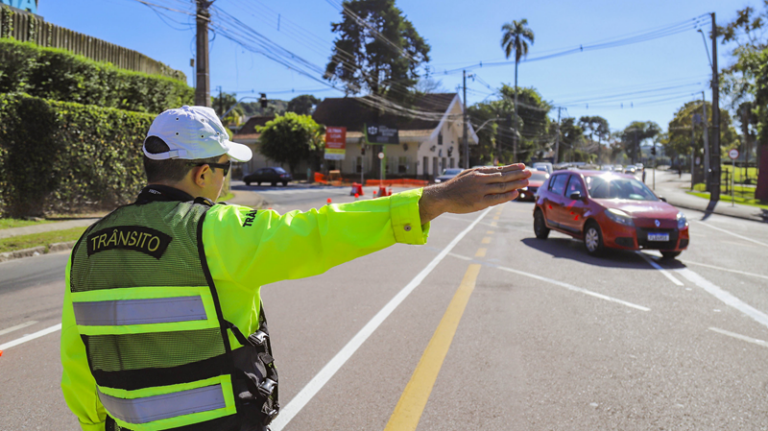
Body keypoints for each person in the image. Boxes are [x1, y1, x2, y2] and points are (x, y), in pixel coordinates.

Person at [60, 106, 530, 431]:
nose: (227, 179)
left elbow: (77, 365)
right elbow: (319, 232)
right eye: (226, 167)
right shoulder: (213, 230)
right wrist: (434, 200)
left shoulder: (86, 246)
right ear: (202, 174)